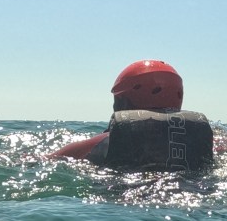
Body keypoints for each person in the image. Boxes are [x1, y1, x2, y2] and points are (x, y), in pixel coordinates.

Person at [50, 60, 214, 172]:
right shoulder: (209, 139)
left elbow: (48, 160)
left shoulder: (104, 140)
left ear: (124, 101)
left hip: (128, 200)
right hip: (194, 194)